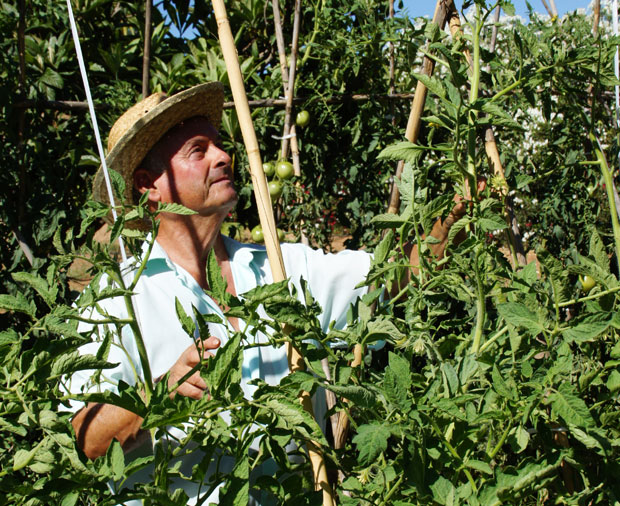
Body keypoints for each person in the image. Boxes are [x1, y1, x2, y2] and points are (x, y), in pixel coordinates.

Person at [68, 82, 470, 504]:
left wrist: (454, 219)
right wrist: (161, 394)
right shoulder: (116, 299)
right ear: (149, 185)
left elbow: (394, 275)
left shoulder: (282, 267)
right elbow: (87, 438)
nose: (224, 156)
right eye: (198, 150)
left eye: (220, 145)